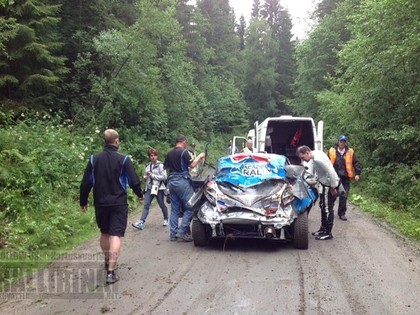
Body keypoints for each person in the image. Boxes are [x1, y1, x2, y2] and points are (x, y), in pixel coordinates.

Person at [80, 129, 144, 284]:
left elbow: (86, 182)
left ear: (104, 141)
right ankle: (111, 272)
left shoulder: (94, 159)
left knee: (104, 233)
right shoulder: (124, 159)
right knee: (115, 235)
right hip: (118, 203)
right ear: (116, 141)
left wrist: (83, 201)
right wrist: (140, 194)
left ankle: (107, 259)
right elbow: (133, 180)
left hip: (100, 203)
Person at [164, 135, 205, 242]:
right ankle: (182, 231)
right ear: (183, 142)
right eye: (186, 142)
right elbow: (192, 165)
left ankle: (173, 234)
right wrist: (200, 156)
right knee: (191, 206)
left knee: (175, 209)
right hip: (181, 181)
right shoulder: (184, 152)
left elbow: (166, 168)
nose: (186, 144)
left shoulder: (169, 153)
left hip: (171, 181)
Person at [296, 145, 341, 240]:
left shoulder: (318, 159)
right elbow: (321, 172)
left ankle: (328, 232)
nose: (303, 160)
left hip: (329, 185)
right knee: (322, 206)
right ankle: (323, 229)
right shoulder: (316, 154)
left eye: (303, 157)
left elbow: (331, 171)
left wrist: (333, 187)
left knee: (327, 208)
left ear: (307, 153)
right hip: (324, 184)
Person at [132, 148, 169, 230]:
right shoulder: (148, 166)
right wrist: (146, 177)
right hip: (149, 188)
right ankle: (141, 222)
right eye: (151, 156)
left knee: (161, 204)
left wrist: (153, 176)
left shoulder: (161, 165)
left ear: (157, 156)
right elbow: (146, 176)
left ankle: (166, 218)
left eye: (154, 155)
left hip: (158, 188)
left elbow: (164, 177)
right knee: (146, 205)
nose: (153, 157)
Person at [328, 135, 361, 221]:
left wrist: (357, 173)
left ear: (345, 143)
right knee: (332, 195)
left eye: (344, 141)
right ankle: (329, 211)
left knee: (344, 196)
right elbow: (326, 163)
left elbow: (356, 163)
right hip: (334, 177)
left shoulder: (350, 152)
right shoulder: (332, 151)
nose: (342, 143)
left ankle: (342, 213)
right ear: (338, 142)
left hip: (345, 178)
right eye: (341, 141)